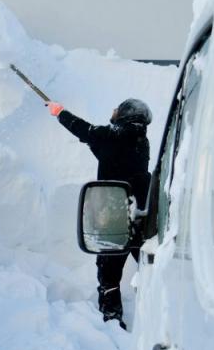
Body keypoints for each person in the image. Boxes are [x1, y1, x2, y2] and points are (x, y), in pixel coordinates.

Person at [47, 99, 152, 328]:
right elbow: (106, 150)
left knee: (109, 274)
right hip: (144, 217)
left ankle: (112, 318)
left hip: (115, 218)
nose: (113, 111)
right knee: (149, 269)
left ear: (125, 114)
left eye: (117, 109)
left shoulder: (110, 136)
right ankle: (157, 312)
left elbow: (84, 130)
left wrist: (60, 112)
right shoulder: (142, 142)